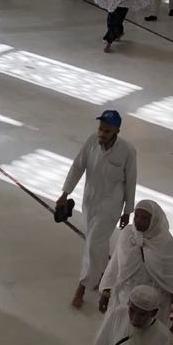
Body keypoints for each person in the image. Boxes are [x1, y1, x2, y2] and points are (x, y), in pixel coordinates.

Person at [58, 110, 137, 308]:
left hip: (111, 206)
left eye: (107, 131)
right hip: (90, 201)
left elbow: (131, 181)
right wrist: (65, 194)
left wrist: (128, 211)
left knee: (94, 243)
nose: (102, 134)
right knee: (96, 244)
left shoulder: (127, 151)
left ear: (117, 131)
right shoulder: (92, 142)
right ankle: (102, 276)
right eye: (100, 129)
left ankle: (82, 286)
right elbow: (78, 166)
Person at [98, 201, 173, 334]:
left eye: (144, 218)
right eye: (136, 216)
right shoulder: (127, 234)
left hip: (154, 307)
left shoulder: (165, 243)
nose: (138, 221)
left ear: (154, 220)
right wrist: (106, 292)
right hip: (125, 301)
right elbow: (115, 265)